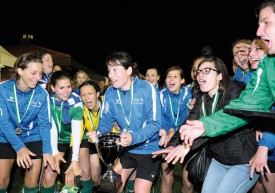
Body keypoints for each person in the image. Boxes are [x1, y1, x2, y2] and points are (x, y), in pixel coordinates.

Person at [178, 0, 275, 190]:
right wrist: (206, 124)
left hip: (243, 157)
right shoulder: (268, 65)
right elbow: (248, 104)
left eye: (266, 22)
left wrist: (264, 145)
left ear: (219, 75)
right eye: (198, 72)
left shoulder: (235, 86)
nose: (258, 31)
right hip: (222, 158)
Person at [153, 56, 259, 193]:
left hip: (243, 160)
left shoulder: (236, 90)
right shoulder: (202, 97)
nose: (200, 75)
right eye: (198, 72)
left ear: (220, 75)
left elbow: (219, 123)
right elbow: (189, 122)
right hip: (218, 160)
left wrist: (187, 144)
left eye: (206, 71)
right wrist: (173, 144)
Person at [87, 51, 162, 193]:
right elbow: (106, 121)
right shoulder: (110, 92)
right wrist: (98, 133)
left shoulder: (146, 88)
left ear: (129, 70)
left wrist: (134, 137)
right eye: (109, 70)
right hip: (127, 149)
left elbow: (156, 123)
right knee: (109, 185)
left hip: (149, 149)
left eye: (115, 69)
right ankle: (128, 186)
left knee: (140, 190)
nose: (110, 75)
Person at [0, 52, 55, 193]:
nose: (38, 78)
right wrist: (19, 147)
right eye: (33, 73)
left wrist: (47, 151)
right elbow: (3, 122)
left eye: (40, 73)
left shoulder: (42, 94)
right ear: (20, 71)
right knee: (1, 180)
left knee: (32, 179)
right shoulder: (3, 89)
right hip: (5, 136)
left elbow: (44, 124)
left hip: (32, 137)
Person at [41, 71, 83, 193]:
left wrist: (74, 159)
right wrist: (54, 153)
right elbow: (52, 129)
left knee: (73, 176)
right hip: (56, 140)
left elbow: (76, 132)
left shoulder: (76, 102)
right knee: (49, 175)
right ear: (53, 88)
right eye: (62, 87)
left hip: (74, 140)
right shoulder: (48, 102)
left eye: (69, 86)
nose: (66, 91)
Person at [158, 66, 192, 193]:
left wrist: (175, 130)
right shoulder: (160, 95)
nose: (171, 79)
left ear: (182, 80)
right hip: (166, 137)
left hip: (186, 138)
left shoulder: (189, 94)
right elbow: (159, 117)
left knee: (188, 183)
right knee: (168, 178)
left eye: (175, 76)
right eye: (168, 76)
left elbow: (189, 115)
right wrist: (168, 130)